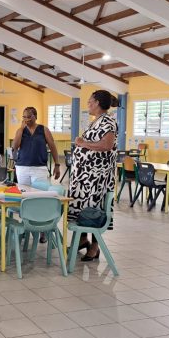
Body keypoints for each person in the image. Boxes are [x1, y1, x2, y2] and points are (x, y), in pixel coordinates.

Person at [68, 91, 118, 261]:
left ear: (97, 102)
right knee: (82, 208)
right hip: (84, 178)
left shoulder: (108, 121)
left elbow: (106, 145)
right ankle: (83, 240)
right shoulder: (96, 121)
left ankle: (95, 246)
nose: (87, 104)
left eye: (89, 101)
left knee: (95, 210)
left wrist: (83, 143)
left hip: (96, 179)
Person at [12, 106, 61, 185]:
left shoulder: (44, 129)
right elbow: (15, 146)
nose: (26, 119)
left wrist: (57, 165)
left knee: (39, 191)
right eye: (24, 117)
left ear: (35, 116)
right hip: (22, 167)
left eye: (29, 116)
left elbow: (53, 147)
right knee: (24, 191)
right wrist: (21, 129)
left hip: (40, 168)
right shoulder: (20, 130)